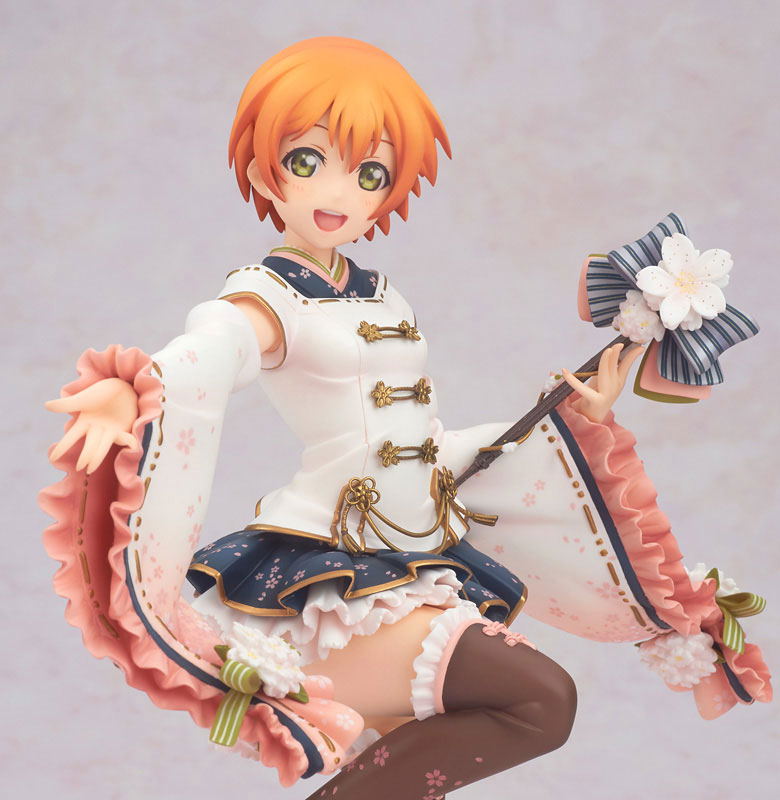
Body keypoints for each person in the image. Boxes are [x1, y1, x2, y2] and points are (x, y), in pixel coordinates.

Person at [42, 37, 770, 799]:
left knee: (412, 775)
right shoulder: (268, 296)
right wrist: (140, 387)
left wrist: (567, 410)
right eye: (307, 160)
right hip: (328, 584)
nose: (339, 191)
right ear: (262, 171)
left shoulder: (384, 297)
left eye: (370, 173)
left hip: (410, 562)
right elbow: (214, 348)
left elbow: (421, 449)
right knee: (541, 700)